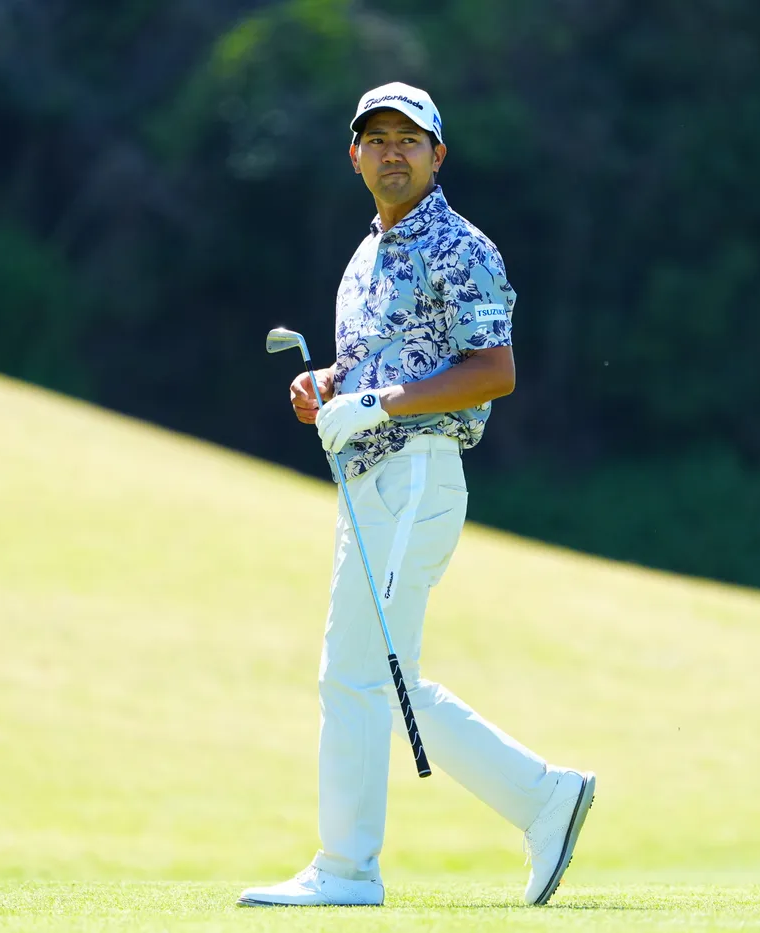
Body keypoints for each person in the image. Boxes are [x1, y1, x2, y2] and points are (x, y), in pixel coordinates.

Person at [238, 82, 594, 908]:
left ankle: (350, 868)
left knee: (362, 675)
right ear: (354, 155)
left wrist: (379, 403)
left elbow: (494, 369)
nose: (391, 151)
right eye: (377, 138)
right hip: (368, 482)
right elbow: (376, 363)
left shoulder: (459, 245)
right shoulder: (366, 255)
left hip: (419, 470)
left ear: (438, 155)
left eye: (408, 138)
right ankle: (543, 798)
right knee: (372, 676)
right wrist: (328, 385)